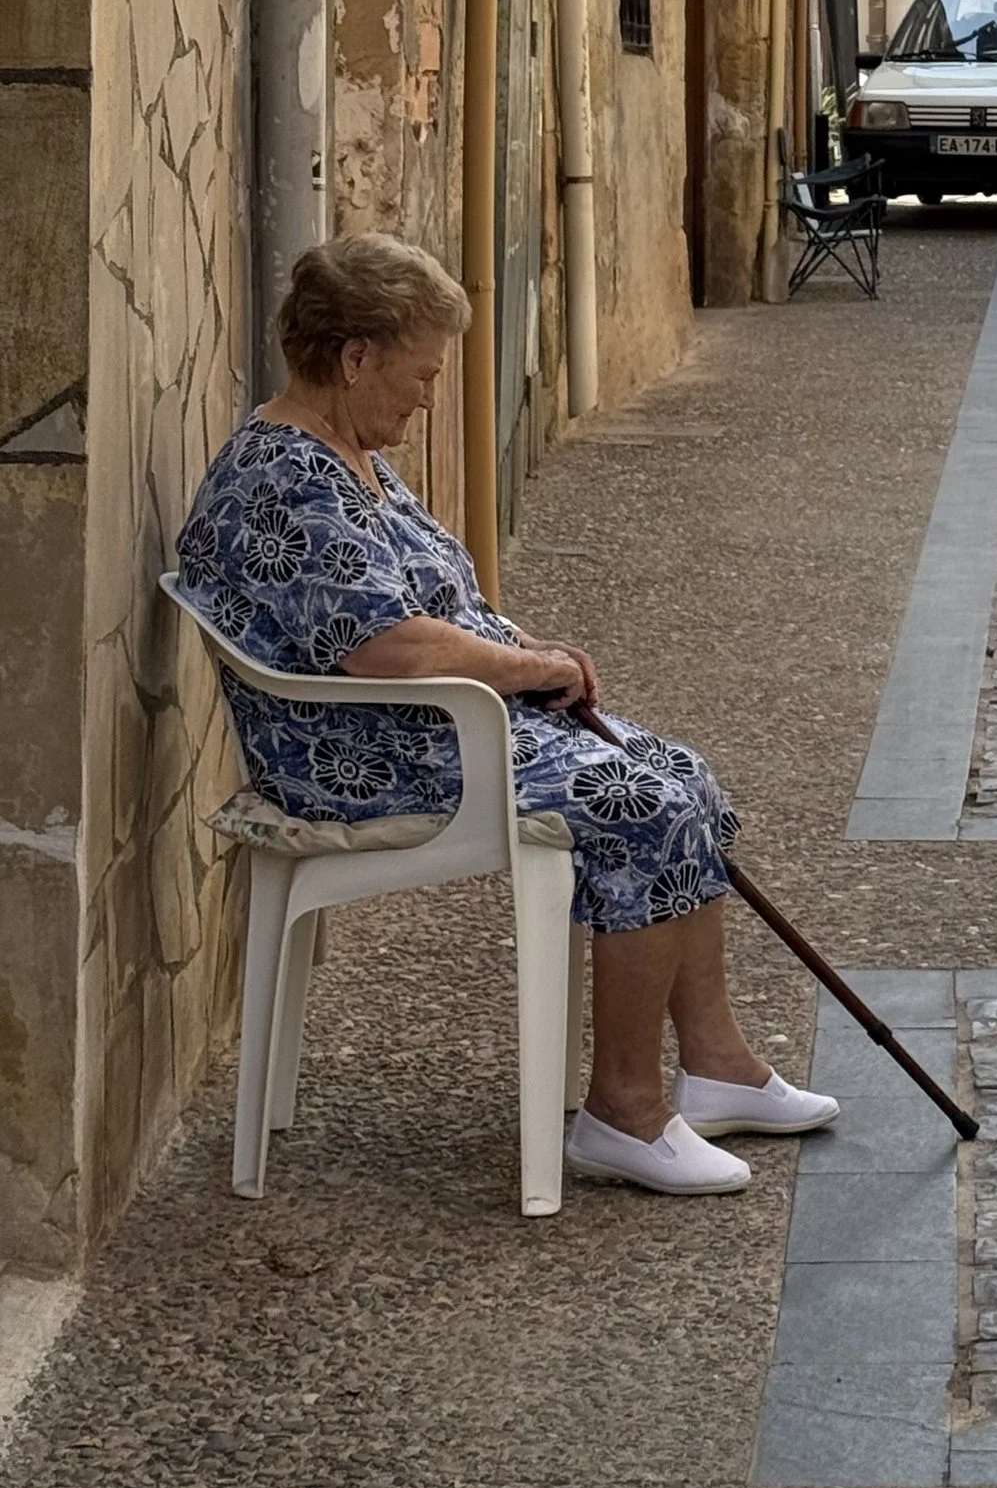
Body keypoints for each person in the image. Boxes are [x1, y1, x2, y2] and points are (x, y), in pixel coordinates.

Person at [178, 232, 835, 1196]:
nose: (430, 396)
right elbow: (388, 646)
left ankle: (717, 1065)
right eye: (421, 373)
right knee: (638, 803)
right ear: (355, 356)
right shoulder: (285, 480)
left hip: (436, 727)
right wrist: (527, 668)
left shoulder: (345, 450)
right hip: (376, 753)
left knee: (679, 773)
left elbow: (428, 616)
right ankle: (624, 1111)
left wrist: (531, 663)